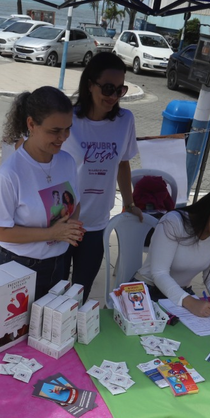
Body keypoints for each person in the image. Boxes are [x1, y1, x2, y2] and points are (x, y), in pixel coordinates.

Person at [0, 86, 84, 301]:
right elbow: (0, 232)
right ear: (31, 124)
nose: (63, 137)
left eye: (67, 129)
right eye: (55, 131)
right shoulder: (8, 175)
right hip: (18, 268)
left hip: (58, 264)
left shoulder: (67, 161)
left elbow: (76, 202)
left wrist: (70, 228)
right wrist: (53, 233)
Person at [61, 51, 142, 302]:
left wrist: (129, 203)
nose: (113, 96)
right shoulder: (68, 118)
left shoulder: (125, 120)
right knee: (55, 292)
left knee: (81, 292)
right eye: (108, 88)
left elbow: (123, 163)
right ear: (90, 85)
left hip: (96, 223)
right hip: (61, 221)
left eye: (120, 90)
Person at [136, 181, 210, 318]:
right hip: (148, 291)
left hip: (180, 294)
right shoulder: (173, 222)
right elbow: (159, 273)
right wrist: (190, 303)